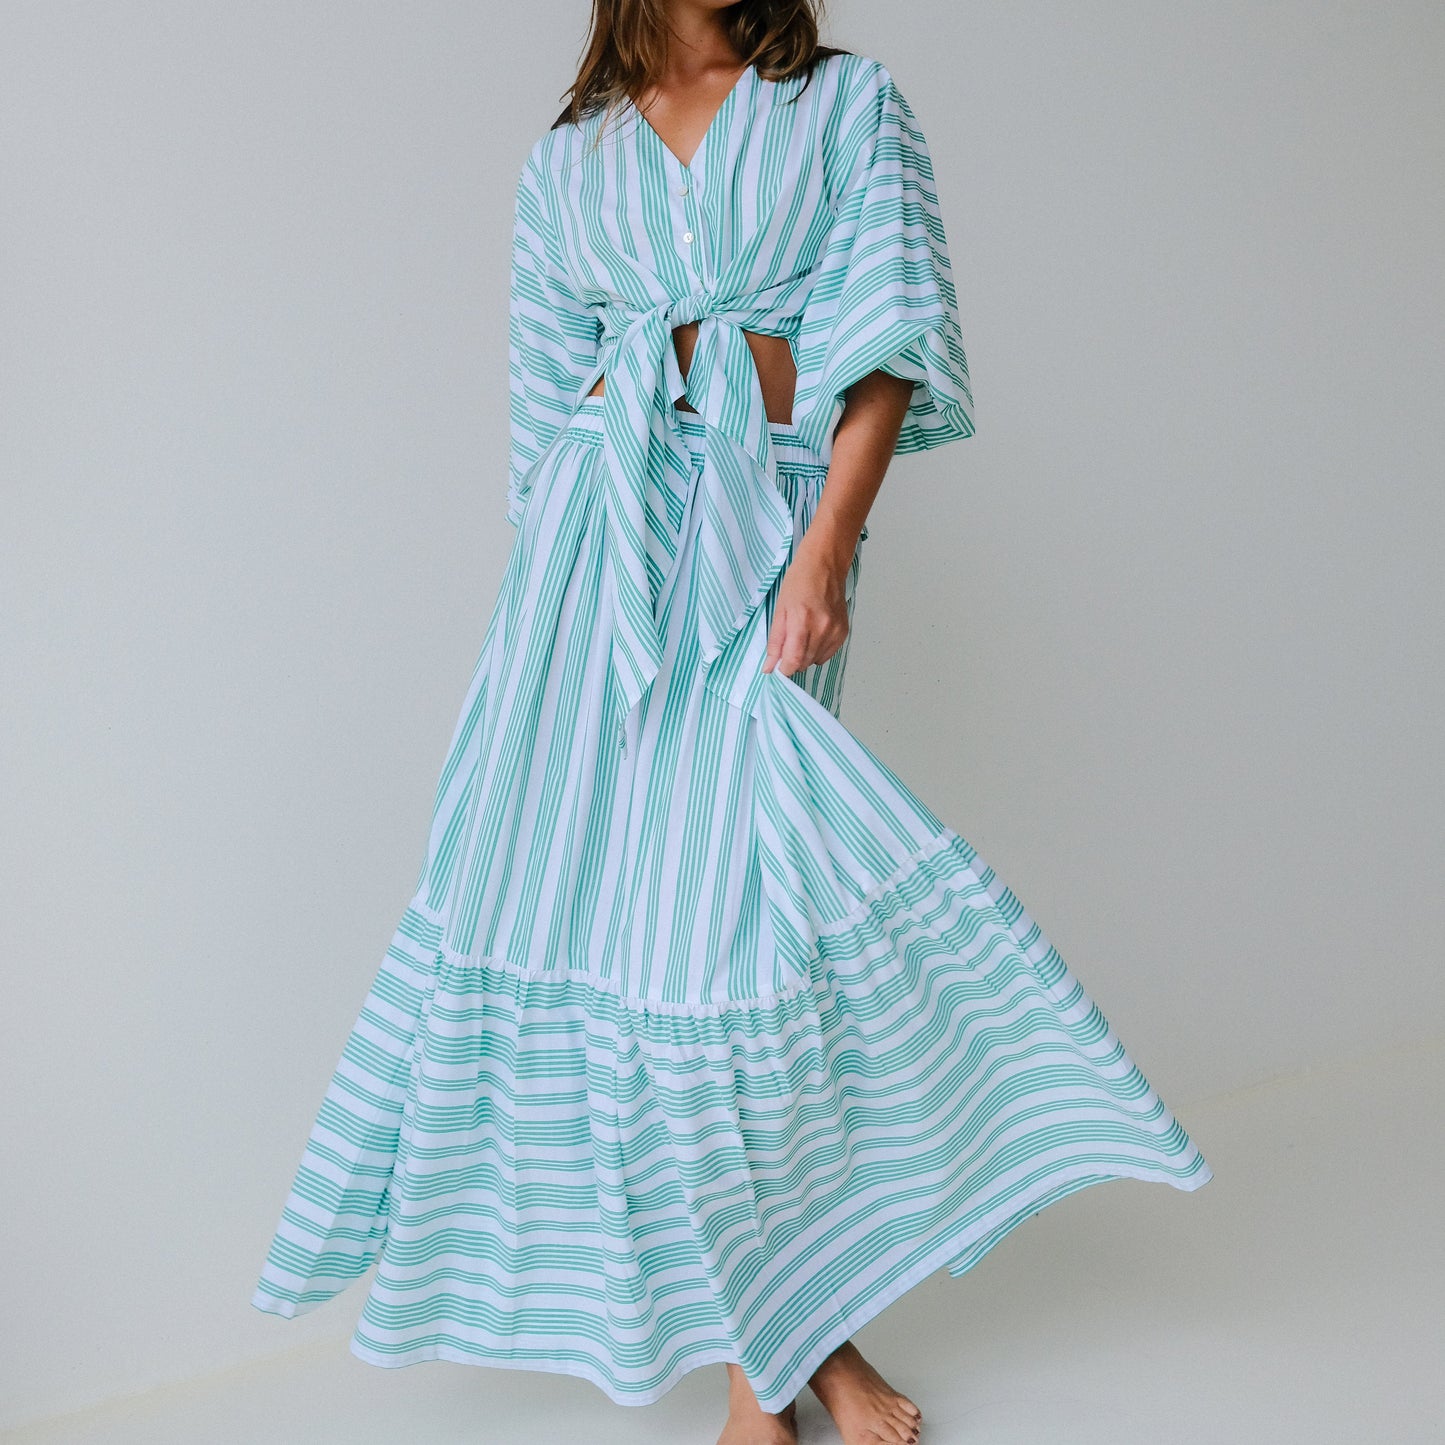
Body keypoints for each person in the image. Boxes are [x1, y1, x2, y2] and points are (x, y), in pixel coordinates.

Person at [251, 4, 1213, 1442]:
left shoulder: (841, 105)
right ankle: (790, 1364)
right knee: (630, 960)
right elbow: (541, 418)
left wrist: (827, 544)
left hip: (759, 542)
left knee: (725, 952)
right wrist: (561, 597)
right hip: (590, 575)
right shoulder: (568, 160)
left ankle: (779, 1365)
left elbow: (885, 341)